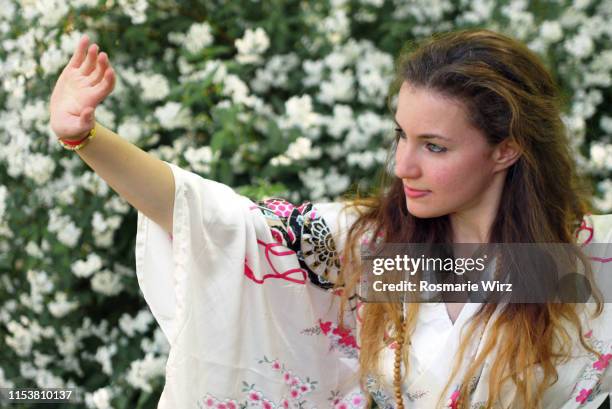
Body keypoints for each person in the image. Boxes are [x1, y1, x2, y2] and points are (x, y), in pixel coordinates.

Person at [49, 29, 612, 409]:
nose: (402, 165)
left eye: (434, 147)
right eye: (401, 135)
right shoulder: (377, 253)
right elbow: (223, 224)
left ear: (505, 149)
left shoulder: (580, 262)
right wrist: (86, 137)